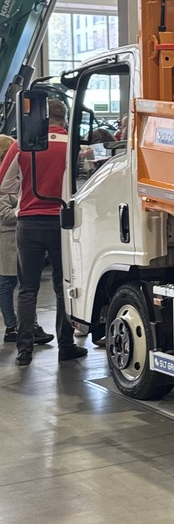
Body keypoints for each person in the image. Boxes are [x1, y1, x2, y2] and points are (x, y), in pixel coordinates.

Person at [0, 98, 86, 367]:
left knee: (27, 289)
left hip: (28, 222)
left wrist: (23, 195)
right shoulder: (72, 145)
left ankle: (24, 351)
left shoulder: (22, 144)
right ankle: (66, 346)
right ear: (64, 118)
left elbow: (3, 184)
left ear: (42, 118)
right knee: (63, 287)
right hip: (61, 222)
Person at [0, 135, 19, 343]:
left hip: (15, 239)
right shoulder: (2, 182)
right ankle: (11, 326)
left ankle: (27, 324)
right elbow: (5, 215)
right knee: (6, 283)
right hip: (6, 240)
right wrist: (24, 210)